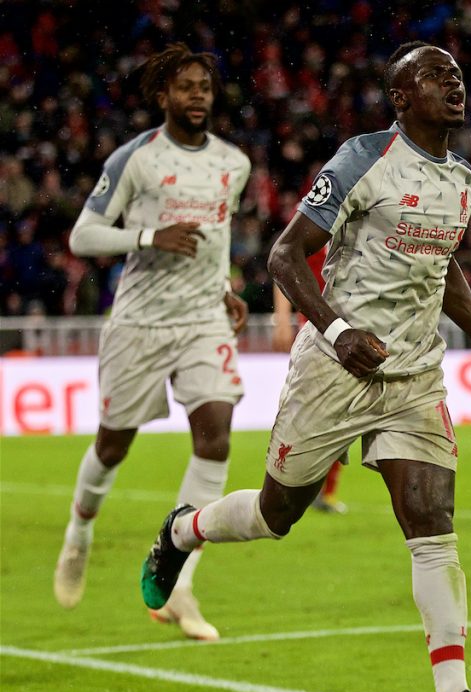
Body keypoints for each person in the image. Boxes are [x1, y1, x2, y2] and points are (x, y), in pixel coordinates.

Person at [139, 42, 471, 692]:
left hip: (414, 373)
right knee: (275, 516)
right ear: (400, 97)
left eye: (456, 75)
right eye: (433, 76)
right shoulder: (363, 159)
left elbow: (442, 272)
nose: (453, 84)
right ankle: (181, 530)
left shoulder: (465, 182)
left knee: (431, 521)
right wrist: (336, 329)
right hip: (335, 370)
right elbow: (284, 254)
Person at [54, 43, 251, 641]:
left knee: (215, 436)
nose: (198, 96)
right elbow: (83, 236)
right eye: (185, 87)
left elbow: (213, 239)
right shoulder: (135, 159)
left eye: (205, 87)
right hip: (139, 321)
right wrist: (147, 237)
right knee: (113, 446)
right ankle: (79, 531)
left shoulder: (233, 163)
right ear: (162, 95)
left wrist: (224, 287)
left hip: (201, 320)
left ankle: (180, 582)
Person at [271, 249, 345, 515]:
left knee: (339, 415)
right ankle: (288, 484)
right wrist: (281, 319)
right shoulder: (316, 213)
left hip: (354, 327)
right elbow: (284, 261)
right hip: (317, 327)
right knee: (317, 413)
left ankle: (323, 491)